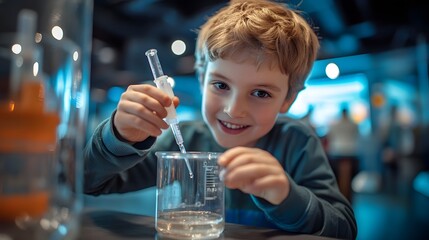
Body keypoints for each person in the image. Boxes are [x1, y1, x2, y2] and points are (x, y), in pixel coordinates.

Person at [84, 1, 357, 239]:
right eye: (221, 85)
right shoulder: (186, 140)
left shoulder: (296, 143)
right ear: (202, 80)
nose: (234, 110)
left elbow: (343, 227)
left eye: (260, 93)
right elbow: (88, 182)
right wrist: (118, 137)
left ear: (287, 100)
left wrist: (286, 195)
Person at [326, 106, 360, 201]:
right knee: (350, 177)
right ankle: (348, 195)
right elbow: (356, 135)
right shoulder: (354, 124)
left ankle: (340, 195)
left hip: (337, 152)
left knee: (337, 176)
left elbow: (330, 136)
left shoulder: (334, 124)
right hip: (351, 152)